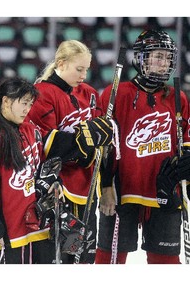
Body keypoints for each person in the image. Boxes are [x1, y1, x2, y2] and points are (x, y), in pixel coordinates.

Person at [0, 77, 114, 264]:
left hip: (40, 225)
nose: (27, 109)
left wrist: (86, 140)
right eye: (24, 103)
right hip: (10, 232)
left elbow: (51, 156)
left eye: (30, 104)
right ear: (6, 101)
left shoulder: (30, 129)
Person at [95, 30, 190, 264]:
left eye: (168, 58)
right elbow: (105, 146)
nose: (164, 62)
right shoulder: (116, 94)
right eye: (158, 56)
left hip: (165, 193)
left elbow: (185, 140)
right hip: (121, 192)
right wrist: (106, 186)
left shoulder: (178, 98)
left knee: (165, 264)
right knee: (108, 261)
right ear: (142, 58)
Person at [25, 40, 102, 264]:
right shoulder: (41, 93)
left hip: (86, 189)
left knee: (82, 256)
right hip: (56, 189)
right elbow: (46, 143)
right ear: (60, 63)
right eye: (79, 69)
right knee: (60, 257)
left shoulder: (88, 94)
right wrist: (86, 143)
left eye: (86, 69)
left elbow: (98, 138)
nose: (84, 76)